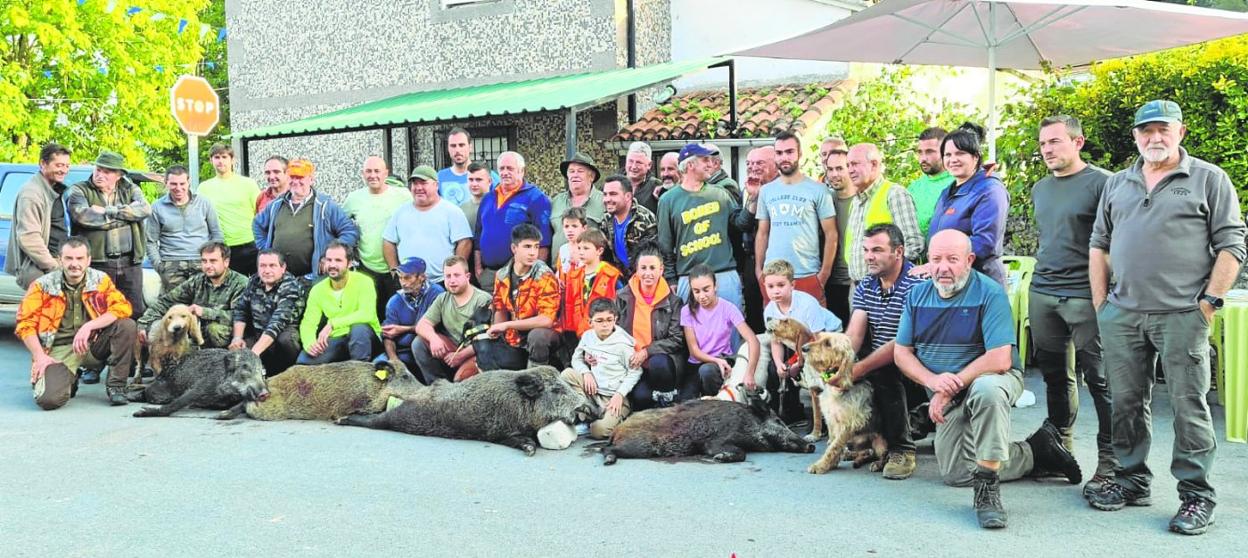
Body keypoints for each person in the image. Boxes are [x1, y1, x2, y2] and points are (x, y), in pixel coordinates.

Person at [1087, 100, 1246, 535]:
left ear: (1181, 131)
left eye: (1163, 130)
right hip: (1122, 314)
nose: (1154, 138)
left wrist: (1210, 302)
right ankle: (1131, 480)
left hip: (1181, 314)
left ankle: (1197, 496)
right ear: (1135, 136)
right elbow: (1099, 244)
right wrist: (1103, 304)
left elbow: (1232, 245)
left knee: (1188, 405)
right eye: (1146, 131)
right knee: (1126, 403)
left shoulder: (1209, 179)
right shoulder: (1118, 183)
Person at [894, 230, 1081, 530]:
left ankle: (988, 489)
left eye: (952, 260)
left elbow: (999, 359)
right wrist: (932, 381)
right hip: (947, 389)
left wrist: (948, 387)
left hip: (993, 378)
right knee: (956, 474)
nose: (943, 268)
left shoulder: (988, 292)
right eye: (936, 259)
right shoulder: (916, 295)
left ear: (969, 260)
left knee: (987, 390)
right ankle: (1037, 451)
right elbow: (902, 353)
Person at [1029, 115, 1117, 494]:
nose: (1047, 149)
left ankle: (1112, 461)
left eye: (1055, 141)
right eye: (1043, 143)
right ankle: (1059, 448)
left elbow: (1117, 241)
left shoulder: (1105, 184)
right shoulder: (1040, 188)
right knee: (1054, 374)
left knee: (1101, 380)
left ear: (1078, 142)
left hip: (1087, 295)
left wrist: (1108, 293)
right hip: (1044, 291)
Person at [18, 237, 138, 408]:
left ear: (88, 260)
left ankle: (116, 386)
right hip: (58, 350)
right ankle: (69, 380)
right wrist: (40, 357)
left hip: (92, 345)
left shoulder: (100, 280)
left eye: (80, 258)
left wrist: (89, 326)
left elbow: (122, 308)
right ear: (60, 259)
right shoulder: (41, 286)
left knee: (126, 325)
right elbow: (25, 324)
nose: (75, 264)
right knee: (49, 400)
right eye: (69, 258)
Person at [845, 224, 924, 480]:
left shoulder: (917, 284)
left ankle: (902, 449)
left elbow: (902, 344)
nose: (869, 256)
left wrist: (858, 369)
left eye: (877, 250)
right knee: (858, 368)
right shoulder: (867, 284)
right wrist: (840, 368)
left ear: (898, 252)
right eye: (866, 250)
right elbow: (854, 335)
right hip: (886, 361)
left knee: (881, 371)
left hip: (919, 367)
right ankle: (875, 440)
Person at [657, 143, 749, 310]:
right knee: (693, 332)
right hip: (689, 277)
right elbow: (665, 245)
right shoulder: (668, 200)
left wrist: (753, 200)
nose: (710, 163)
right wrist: (671, 278)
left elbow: (740, 224)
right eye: (705, 159)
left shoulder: (720, 193)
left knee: (730, 332)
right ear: (690, 165)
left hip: (724, 274)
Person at [752, 131, 838, 305]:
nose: (784, 157)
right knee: (776, 330)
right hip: (773, 276)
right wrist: (759, 271)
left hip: (807, 274)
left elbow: (831, 234)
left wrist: (823, 275)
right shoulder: (766, 191)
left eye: (790, 152)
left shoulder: (818, 190)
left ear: (800, 154)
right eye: (779, 153)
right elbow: (762, 233)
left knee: (811, 331)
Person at [918, 123, 1009, 286]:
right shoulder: (947, 191)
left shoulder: (989, 190)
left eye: (960, 154)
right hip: (948, 280)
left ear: (975, 157)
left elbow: (984, 242)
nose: (953, 160)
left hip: (979, 281)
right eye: (947, 155)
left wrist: (939, 263)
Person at [67, 151, 151, 318]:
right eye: (98, 169)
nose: (100, 175)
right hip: (98, 262)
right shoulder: (79, 190)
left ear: (118, 175)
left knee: (133, 310)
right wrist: (127, 216)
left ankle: (129, 344)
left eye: (107, 172)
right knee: (97, 310)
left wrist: (107, 211)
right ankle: (100, 344)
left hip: (129, 262)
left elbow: (145, 209)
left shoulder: (130, 188)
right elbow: (83, 217)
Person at [760, 259, 842, 423]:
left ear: (792, 285)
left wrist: (800, 363)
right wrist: (779, 365)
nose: (776, 291)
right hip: (796, 343)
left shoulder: (807, 304)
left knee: (818, 370)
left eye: (781, 285)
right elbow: (776, 341)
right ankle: (790, 413)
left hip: (825, 339)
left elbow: (818, 340)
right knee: (775, 368)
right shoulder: (769, 310)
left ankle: (826, 418)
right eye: (770, 286)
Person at [253, 158, 360, 283]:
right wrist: (265, 249)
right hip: (281, 279)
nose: (295, 181)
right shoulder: (275, 205)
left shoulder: (325, 205)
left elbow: (350, 231)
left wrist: (330, 257)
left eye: (300, 177)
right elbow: (257, 224)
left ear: (311, 179)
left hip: (312, 278)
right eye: (292, 177)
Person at [616, 244, 688, 410]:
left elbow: (677, 339)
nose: (648, 273)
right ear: (636, 270)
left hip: (662, 363)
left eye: (652, 268)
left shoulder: (674, 301)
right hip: (633, 364)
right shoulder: (622, 297)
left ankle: (670, 402)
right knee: (641, 398)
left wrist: (647, 351)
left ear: (661, 270)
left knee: (658, 363)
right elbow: (613, 330)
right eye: (643, 268)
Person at [138, 242, 248, 350]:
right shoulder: (197, 281)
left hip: (231, 335)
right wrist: (143, 323)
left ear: (226, 262)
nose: (208, 265)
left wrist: (205, 312)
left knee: (214, 329)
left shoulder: (240, 283)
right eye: (204, 261)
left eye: (213, 261)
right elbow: (166, 301)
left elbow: (240, 316)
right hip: (198, 332)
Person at [482, 224, 561, 369]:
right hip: (515, 336)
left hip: (546, 334)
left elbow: (547, 320)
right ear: (514, 248)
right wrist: (498, 331)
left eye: (536, 247)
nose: (533, 253)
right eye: (527, 246)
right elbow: (500, 309)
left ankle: (538, 380)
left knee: (538, 337)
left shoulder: (544, 275)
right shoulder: (501, 275)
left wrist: (507, 325)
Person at [844, 143, 923, 286]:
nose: (850, 170)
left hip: (887, 287)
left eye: (855, 164)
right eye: (848, 165)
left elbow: (913, 244)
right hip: (858, 287)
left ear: (874, 164)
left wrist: (888, 278)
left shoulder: (894, 194)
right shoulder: (856, 201)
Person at [561, 298, 641, 439]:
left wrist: (620, 394)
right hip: (594, 391)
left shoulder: (623, 345)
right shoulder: (587, 337)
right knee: (567, 374)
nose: (605, 325)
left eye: (609, 320)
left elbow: (636, 371)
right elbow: (576, 358)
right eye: (599, 321)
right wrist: (586, 372)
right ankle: (585, 415)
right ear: (590, 322)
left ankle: (616, 418)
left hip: (614, 397)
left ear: (615, 319)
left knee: (598, 431)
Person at [382, 165, 473, 289]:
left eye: (423, 183)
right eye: (415, 184)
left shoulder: (451, 211)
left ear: (436, 185)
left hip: (440, 282)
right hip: (408, 283)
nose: (419, 188)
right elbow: (388, 241)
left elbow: (465, 242)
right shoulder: (401, 212)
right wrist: (395, 272)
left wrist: (453, 274)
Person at [345, 157, 413, 318]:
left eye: (377, 171)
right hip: (368, 267)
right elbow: (340, 225)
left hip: (397, 268)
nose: (373, 175)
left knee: (397, 314)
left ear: (386, 174)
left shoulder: (403, 195)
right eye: (368, 171)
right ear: (363, 174)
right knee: (371, 314)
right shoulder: (354, 198)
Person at [475, 152, 552, 289]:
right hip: (489, 275)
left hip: (520, 277)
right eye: (502, 168)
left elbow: (544, 242)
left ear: (521, 171)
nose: (505, 172)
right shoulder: (488, 198)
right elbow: (478, 235)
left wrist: (534, 276)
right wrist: (478, 269)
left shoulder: (536, 198)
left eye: (510, 168)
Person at [412, 256, 493, 384]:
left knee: (460, 380)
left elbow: (491, 337)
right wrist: (434, 339)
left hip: (477, 351)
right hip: (453, 347)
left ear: (467, 276)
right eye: (448, 276)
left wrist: (462, 355)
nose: (452, 280)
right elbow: (422, 325)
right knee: (419, 343)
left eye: (456, 275)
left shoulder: (483, 300)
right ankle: (437, 387)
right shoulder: (442, 298)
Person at [297, 241, 381, 365]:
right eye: (329, 260)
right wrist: (309, 343)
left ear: (349, 263)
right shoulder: (317, 289)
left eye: (338, 260)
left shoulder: (364, 282)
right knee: (303, 361)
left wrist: (333, 324)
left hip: (366, 339)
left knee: (358, 329)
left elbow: (366, 313)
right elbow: (308, 322)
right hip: (338, 338)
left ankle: (359, 376)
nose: (332, 265)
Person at [682, 265, 759, 397]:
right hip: (698, 363)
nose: (702, 296)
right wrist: (715, 361)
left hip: (722, 362)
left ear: (715, 286)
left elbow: (753, 341)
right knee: (685, 401)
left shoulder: (728, 308)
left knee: (707, 372)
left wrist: (750, 373)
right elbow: (694, 351)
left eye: (706, 290)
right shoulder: (687, 311)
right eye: (696, 291)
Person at [146, 165, 222, 292]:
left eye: (182, 183)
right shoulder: (157, 207)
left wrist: (214, 259)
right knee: (175, 307)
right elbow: (150, 241)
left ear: (188, 182)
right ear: (166, 183)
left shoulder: (204, 203)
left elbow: (216, 233)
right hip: (171, 262)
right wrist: (159, 265)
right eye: (173, 184)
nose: (178, 188)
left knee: (203, 304)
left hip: (201, 260)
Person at [6, 142, 72, 289]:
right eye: (59, 165)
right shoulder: (32, 194)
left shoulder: (54, 190)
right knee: (43, 312)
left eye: (67, 166)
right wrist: (54, 267)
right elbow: (29, 237)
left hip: (55, 265)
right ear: (43, 163)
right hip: (41, 270)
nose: (64, 170)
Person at [230, 250, 305, 376]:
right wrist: (237, 338)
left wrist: (253, 355)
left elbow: (276, 324)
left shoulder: (291, 287)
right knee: (238, 350)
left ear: (283, 268)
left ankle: (290, 374)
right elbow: (241, 309)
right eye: (262, 266)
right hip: (259, 334)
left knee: (286, 340)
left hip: (282, 339)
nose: (267, 270)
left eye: (272, 265)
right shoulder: (254, 280)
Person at [198, 143, 261, 277]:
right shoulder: (204, 188)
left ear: (232, 160)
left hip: (251, 243)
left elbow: (259, 211)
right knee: (232, 289)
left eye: (224, 157)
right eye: (217, 157)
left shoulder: (248, 183)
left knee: (258, 288)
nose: (221, 161)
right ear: (211, 160)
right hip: (224, 247)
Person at [378, 257, 444, 374]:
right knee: (378, 366)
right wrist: (394, 360)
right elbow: (388, 335)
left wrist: (403, 329)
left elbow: (436, 326)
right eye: (400, 277)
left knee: (419, 342)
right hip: (402, 352)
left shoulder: (436, 293)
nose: (403, 282)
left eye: (407, 277)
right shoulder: (394, 301)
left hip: (428, 347)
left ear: (422, 277)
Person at [736, 146, 776, 333]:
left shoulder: (781, 188)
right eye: (749, 163)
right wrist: (753, 197)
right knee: (754, 315)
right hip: (751, 261)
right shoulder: (749, 189)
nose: (753, 167)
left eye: (759, 163)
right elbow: (742, 225)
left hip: (776, 260)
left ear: (775, 165)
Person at [558, 228, 623, 342]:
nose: (581, 252)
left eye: (586, 248)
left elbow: (621, 307)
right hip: (575, 334)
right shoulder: (573, 275)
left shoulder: (612, 276)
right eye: (579, 248)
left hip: (604, 335)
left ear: (599, 251)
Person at [822, 138, 855, 324]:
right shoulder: (824, 200)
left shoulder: (863, 200)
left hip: (855, 281)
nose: (834, 174)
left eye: (840, 168)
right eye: (830, 169)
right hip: (829, 281)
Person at [549, 152, 606, 260]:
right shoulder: (555, 202)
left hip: (590, 271)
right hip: (559, 270)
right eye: (571, 171)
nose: (575, 175)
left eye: (580, 171)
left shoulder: (604, 202)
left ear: (591, 176)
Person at [599, 174, 657, 280]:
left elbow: (652, 257)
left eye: (613, 194)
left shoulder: (644, 218)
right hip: (618, 279)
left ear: (628, 196)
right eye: (605, 194)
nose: (607, 199)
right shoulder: (606, 220)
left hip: (643, 279)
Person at [907, 127, 953, 238]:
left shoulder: (958, 183)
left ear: (946, 152)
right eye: (920, 152)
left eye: (930, 152)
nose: (923, 158)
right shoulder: (913, 187)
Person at [437, 127, 498, 205]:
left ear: (470, 147)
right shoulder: (440, 177)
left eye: (461, 145)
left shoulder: (488, 175)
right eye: (453, 146)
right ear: (448, 149)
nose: (457, 150)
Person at [624, 142, 663, 214]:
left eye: (638, 162)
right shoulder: (612, 185)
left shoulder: (657, 187)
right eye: (630, 161)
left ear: (649, 165)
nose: (633, 166)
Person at [554, 207, 589, 274]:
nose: (570, 230)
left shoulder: (589, 249)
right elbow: (559, 272)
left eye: (574, 226)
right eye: (566, 226)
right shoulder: (563, 249)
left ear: (584, 228)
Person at [459, 162, 492, 233]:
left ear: (489, 181)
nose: (474, 184)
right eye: (471, 180)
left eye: (478, 179)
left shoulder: (498, 206)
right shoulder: (461, 209)